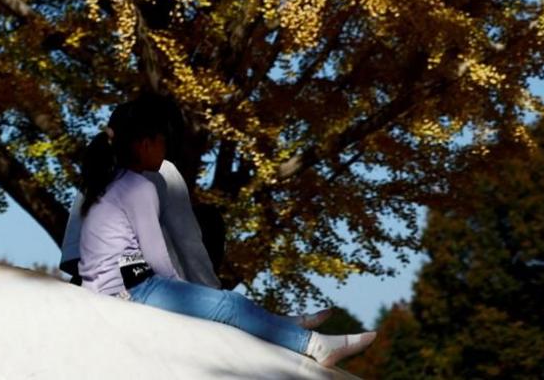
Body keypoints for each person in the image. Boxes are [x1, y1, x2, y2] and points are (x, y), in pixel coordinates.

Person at [76, 99, 375, 369]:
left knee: (226, 304)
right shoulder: (139, 188)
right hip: (131, 290)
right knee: (227, 304)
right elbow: (157, 258)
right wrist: (190, 298)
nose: (166, 150)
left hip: (108, 285)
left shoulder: (110, 182)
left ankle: (286, 326)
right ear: (144, 145)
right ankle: (314, 344)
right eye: (162, 142)